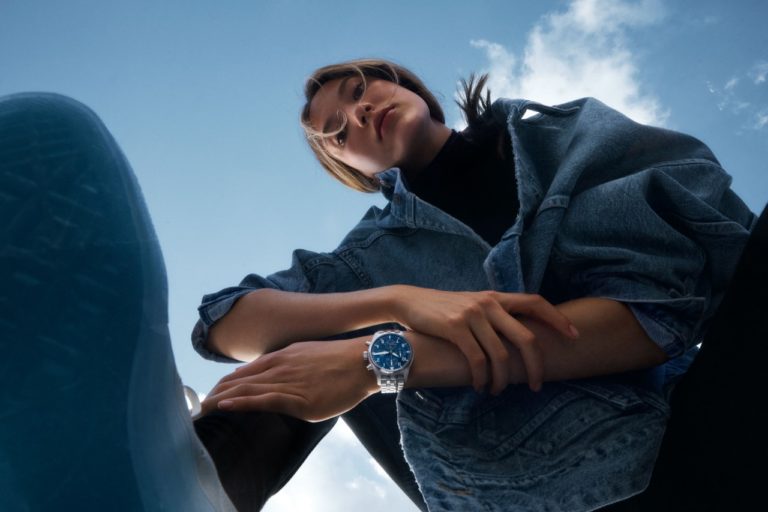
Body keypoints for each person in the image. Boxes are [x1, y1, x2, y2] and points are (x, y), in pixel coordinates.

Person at [191, 59, 758, 512]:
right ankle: (189, 490)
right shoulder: (367, 259)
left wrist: (383, 359)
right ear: (355, 170)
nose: (358, 111)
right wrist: (398, 301)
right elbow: (222, 324)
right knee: (298, 345)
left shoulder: (568, 135)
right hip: (523, 488)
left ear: (404, 85)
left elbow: (655, 312)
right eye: (337, 132)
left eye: (359, 89)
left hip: (703, 426)